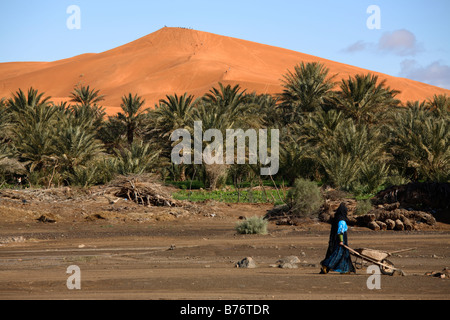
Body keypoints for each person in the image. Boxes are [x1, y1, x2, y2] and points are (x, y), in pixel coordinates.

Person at [320, 202, 355, 274]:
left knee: (344, 254)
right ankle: (326, 265)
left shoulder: (336, 219)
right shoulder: (342, 220)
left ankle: (345, 270)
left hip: (336, 240)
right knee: (338, 254)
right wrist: (341, 241)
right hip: (340, 240)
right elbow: (340, 231)